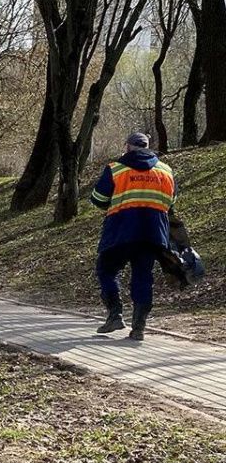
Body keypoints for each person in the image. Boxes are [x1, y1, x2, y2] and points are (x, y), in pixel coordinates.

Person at [90, 132, 177, 342]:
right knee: (143, 277)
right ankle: (139, 327)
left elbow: (98, 199)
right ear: (148, 146)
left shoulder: (116, 169)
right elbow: (170, 202)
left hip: (120, 231)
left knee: (106, 270)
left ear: (128, 146)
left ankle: (115, 314)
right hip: (152, 234)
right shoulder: (165, 171)